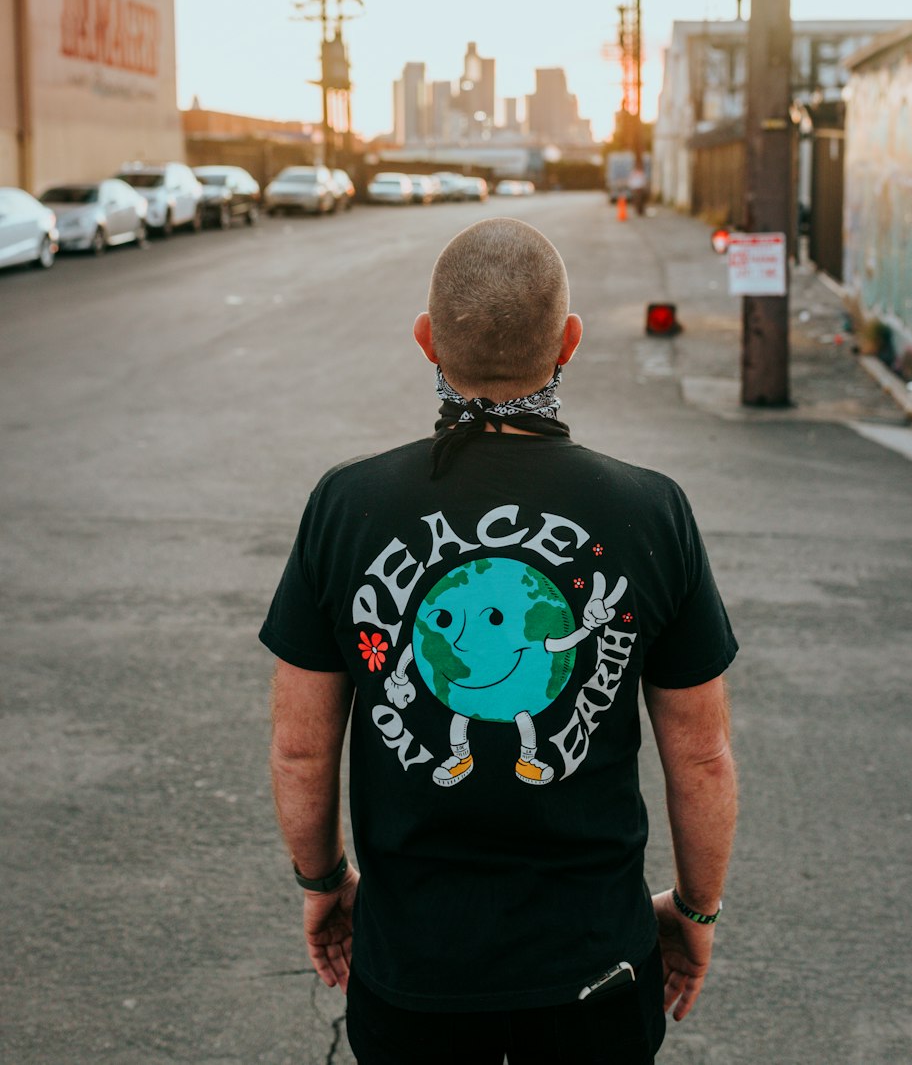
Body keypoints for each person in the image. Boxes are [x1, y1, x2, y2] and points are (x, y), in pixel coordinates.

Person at [261, 218, 738, 1065]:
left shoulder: (346, 504)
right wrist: (694, 914)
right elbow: (701, 757)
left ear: (425, 342)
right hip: (597, 969)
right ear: (571, 342)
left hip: (413, 973)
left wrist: (324, 883)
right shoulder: (651, 509)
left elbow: (301, 747)